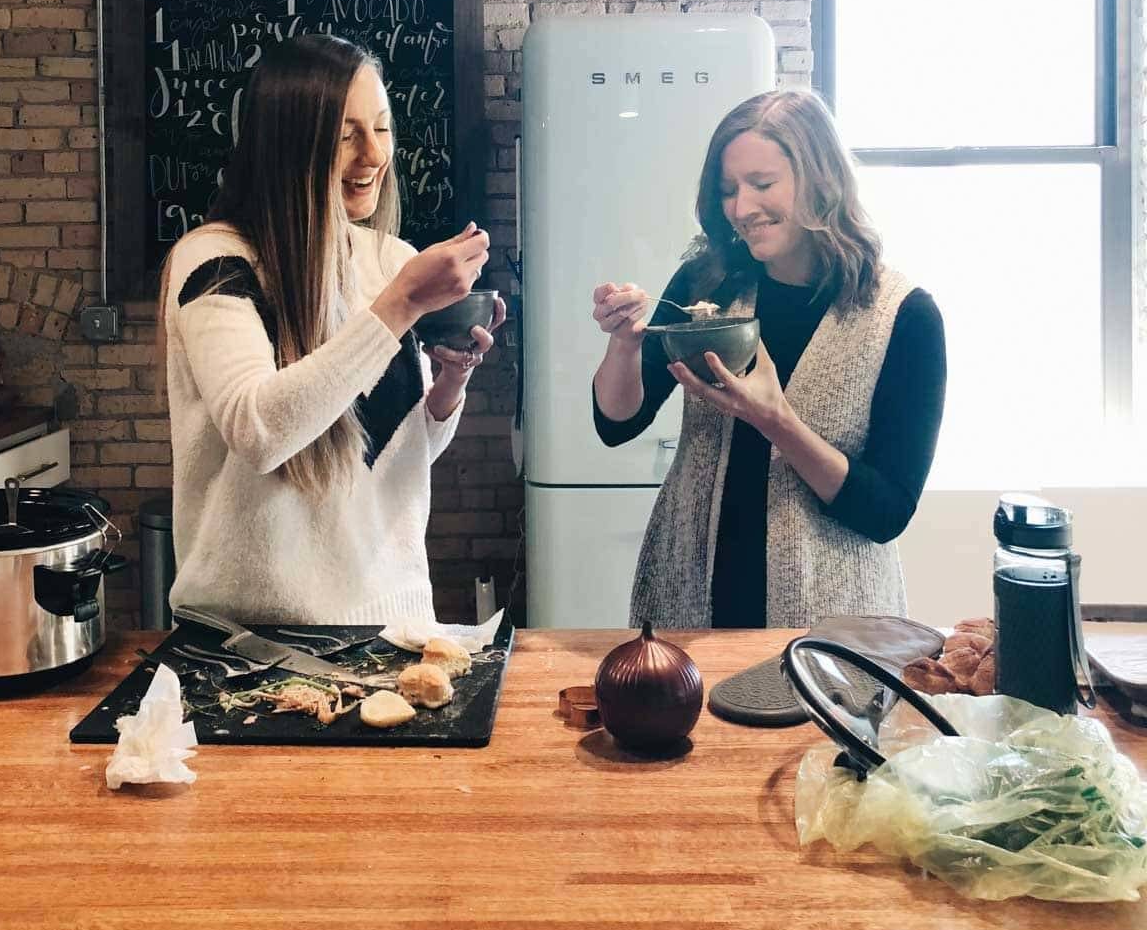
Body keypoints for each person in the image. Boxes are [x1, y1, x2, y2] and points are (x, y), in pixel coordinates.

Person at [159, 33, 504, 627]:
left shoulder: (391, 258)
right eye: (346, 135)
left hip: (393, 620)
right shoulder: (216, 262)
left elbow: (400, 455)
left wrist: (447, 389)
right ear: (290, 144)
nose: (373, 154)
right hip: (250, 641)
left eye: (382, 127)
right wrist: (399, 306)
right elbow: (259, 429)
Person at [591, 89, 945, 630]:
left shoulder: (904, 316)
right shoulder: (705, 284)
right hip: (692, 595)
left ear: (820, 179)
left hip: (832, 618)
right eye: (729, 190)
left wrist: (774, 420)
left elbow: (887, 511)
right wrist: (625, 342)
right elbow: (617, 423)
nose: (742, 208)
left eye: (762, 184)